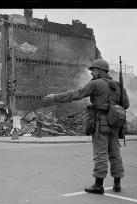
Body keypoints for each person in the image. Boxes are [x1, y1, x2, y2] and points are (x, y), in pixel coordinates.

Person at [43, 59, 130, 194]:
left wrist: (55, 97)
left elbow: (76, 94)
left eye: (93, 70)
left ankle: (98, 185)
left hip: (101, 122)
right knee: (115, 154)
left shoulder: (95, 84)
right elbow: (126, 104)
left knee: (100, 154)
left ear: (101, 70)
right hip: (115, 124)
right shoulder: (118, 85)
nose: (91, 73)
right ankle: (117, 183)